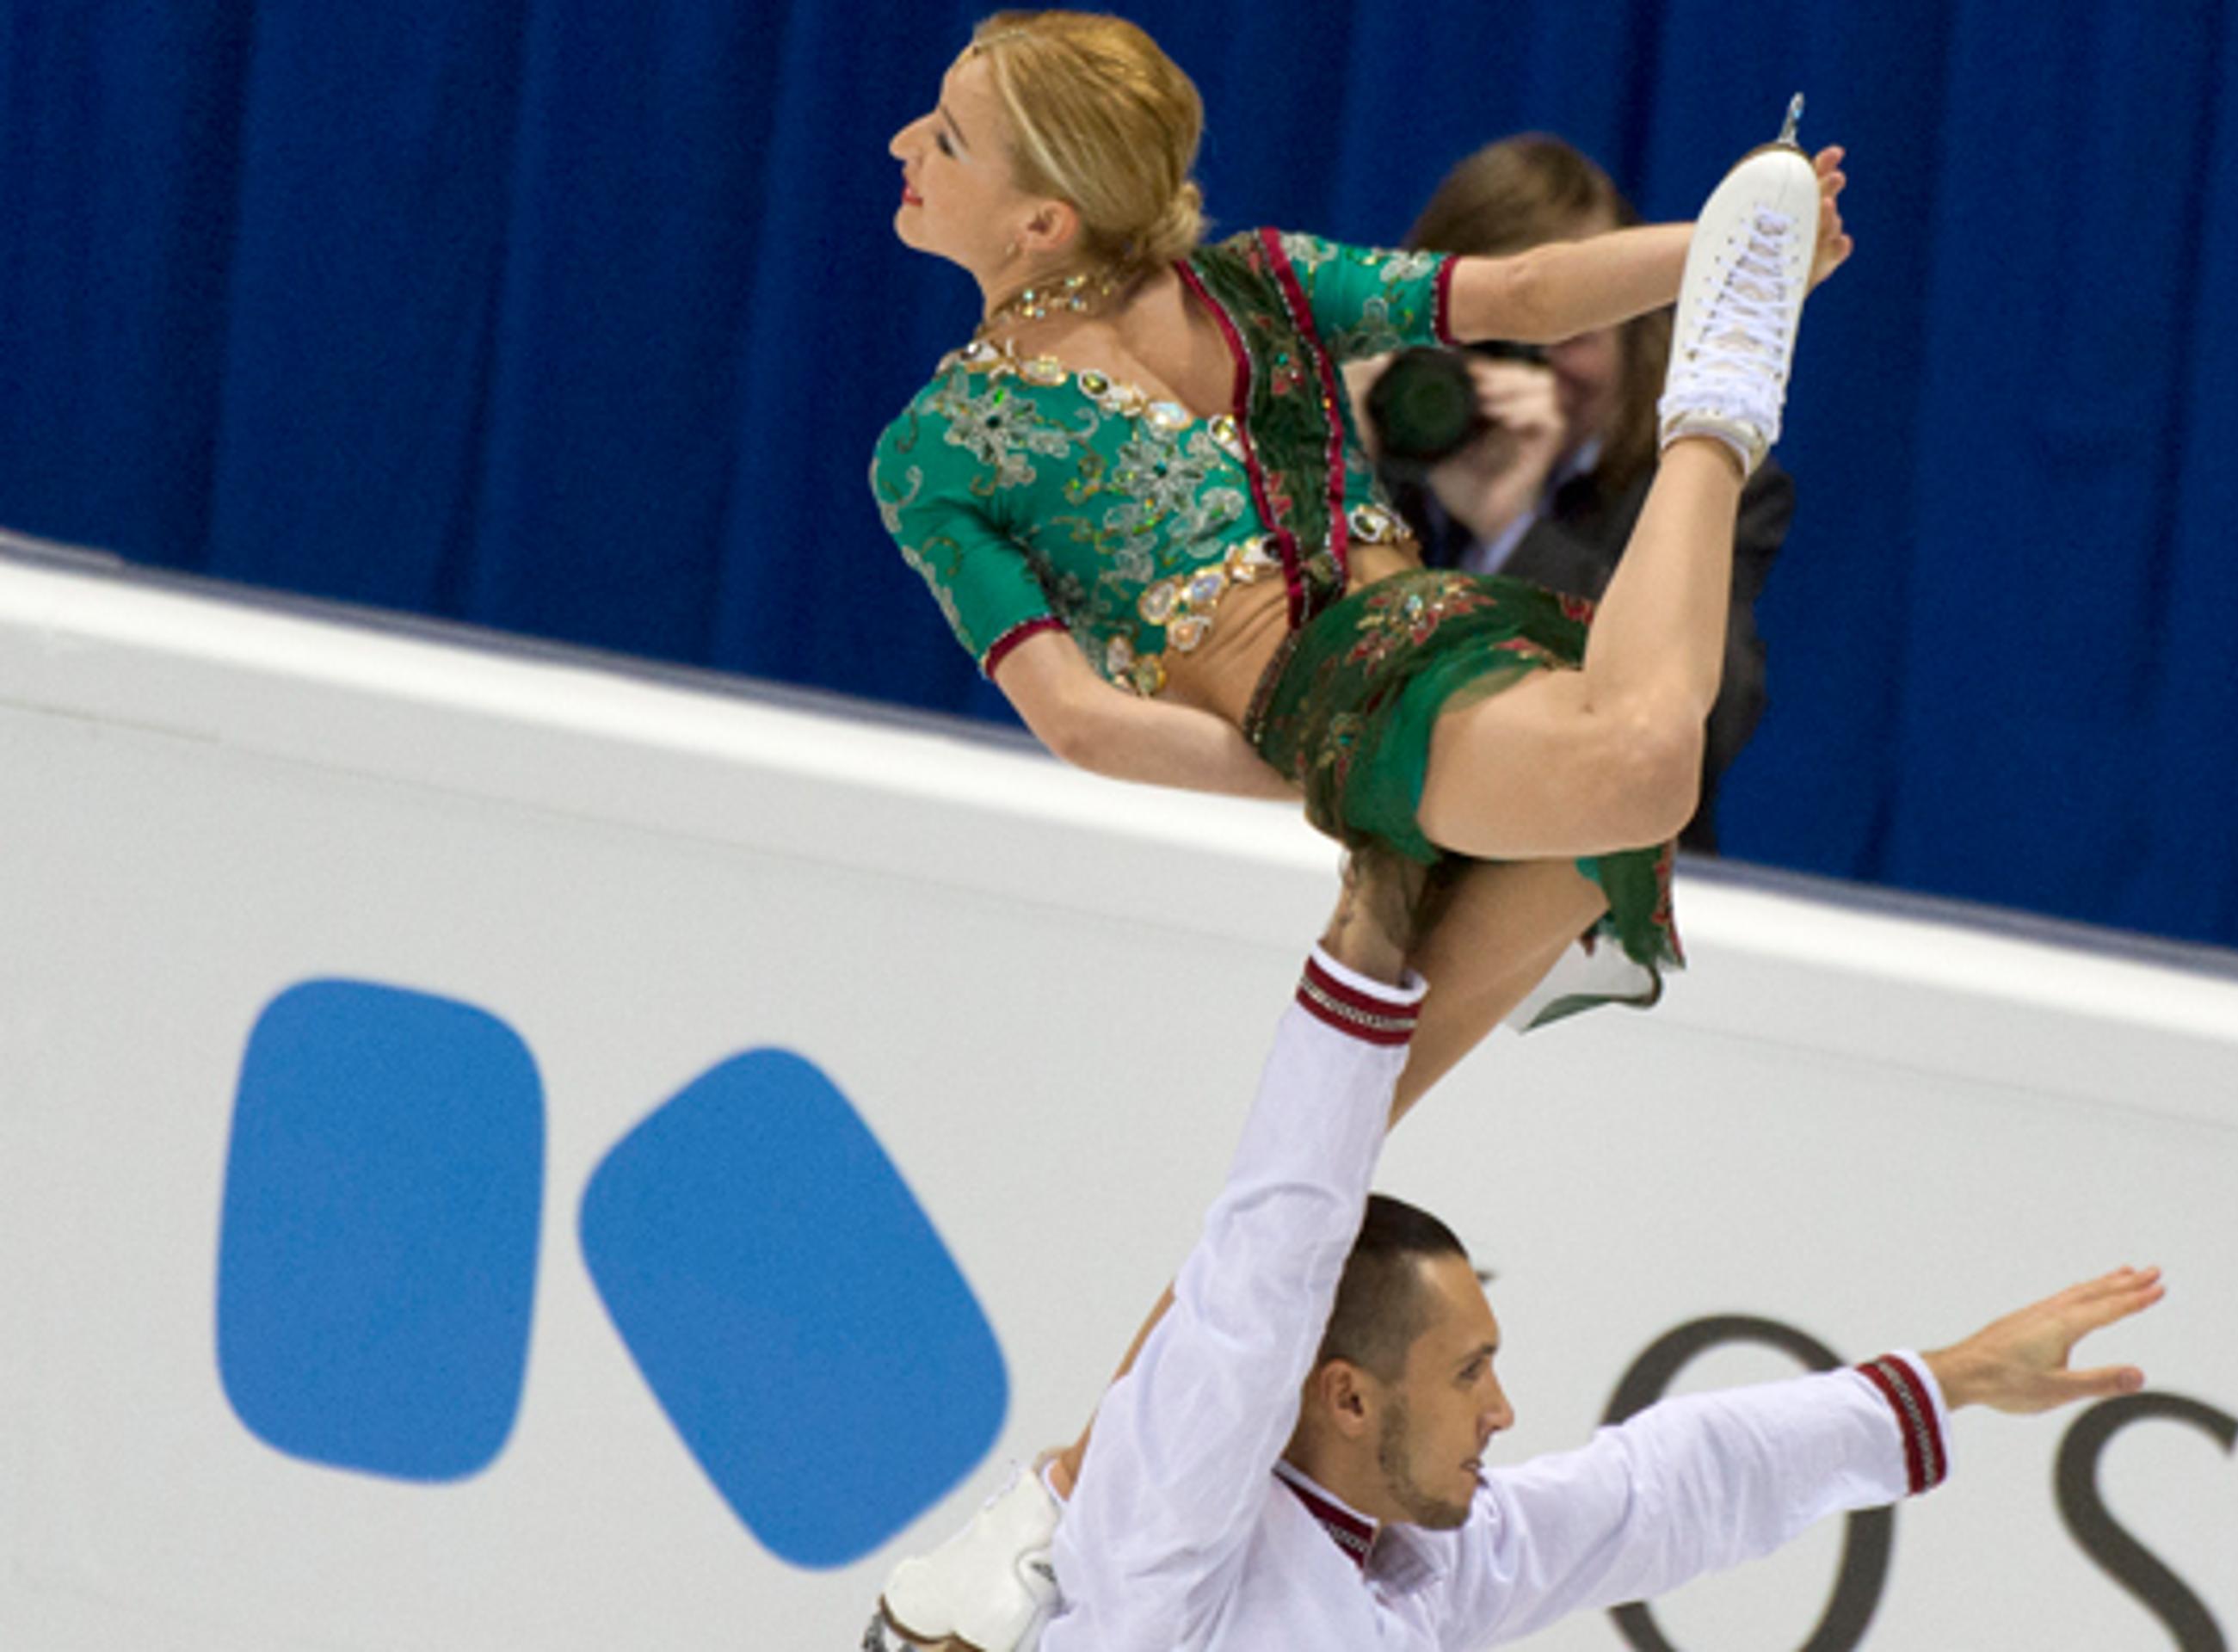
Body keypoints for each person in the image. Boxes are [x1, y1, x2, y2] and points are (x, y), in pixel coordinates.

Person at [873, 9, 1849, 1106]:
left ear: (1045, 220)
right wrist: (1329, 778)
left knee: (1641, 771)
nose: (907, 142)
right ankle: (1725, 378)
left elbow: (1520, 293)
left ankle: (1722, 381)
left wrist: (1735, 241)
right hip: (1378, 722)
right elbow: (1082, 722)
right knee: (1336, 1125)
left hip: (1431, 670)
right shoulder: (948, 446)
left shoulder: (1240, 291)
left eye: (947, 138)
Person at [870, 874, 2167, 1650]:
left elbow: (1670, 1487)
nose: (1503, 1410)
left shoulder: (1430, 1563)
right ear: (1347, 1396)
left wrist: (1953, 1380)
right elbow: (1271, 1254)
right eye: (1470, 1371)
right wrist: (1369, 929)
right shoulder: (1175, 1540)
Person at [1357, 135, 1788, 854]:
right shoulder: (1371, 462)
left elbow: (1701, 737)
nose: (1535, 371)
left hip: (1591, 894)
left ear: (1633, 328)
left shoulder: (1699, 483)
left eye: (1572, 333)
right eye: (1495, 337)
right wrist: (1332, 468)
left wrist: (1510, 529)